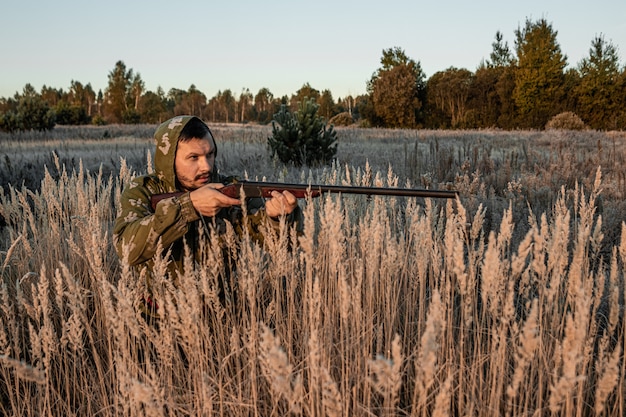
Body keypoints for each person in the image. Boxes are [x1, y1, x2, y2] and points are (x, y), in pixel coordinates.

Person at [113, 115, 303, 317]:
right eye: (193, 158)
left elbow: (284, 247)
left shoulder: (231, 189)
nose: (206, 166)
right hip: (153, 318)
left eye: (210, 155)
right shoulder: (144, 191)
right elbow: (126, 250)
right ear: (169, 160)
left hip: (217, 317)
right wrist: (188, 206)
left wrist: (277, 218)